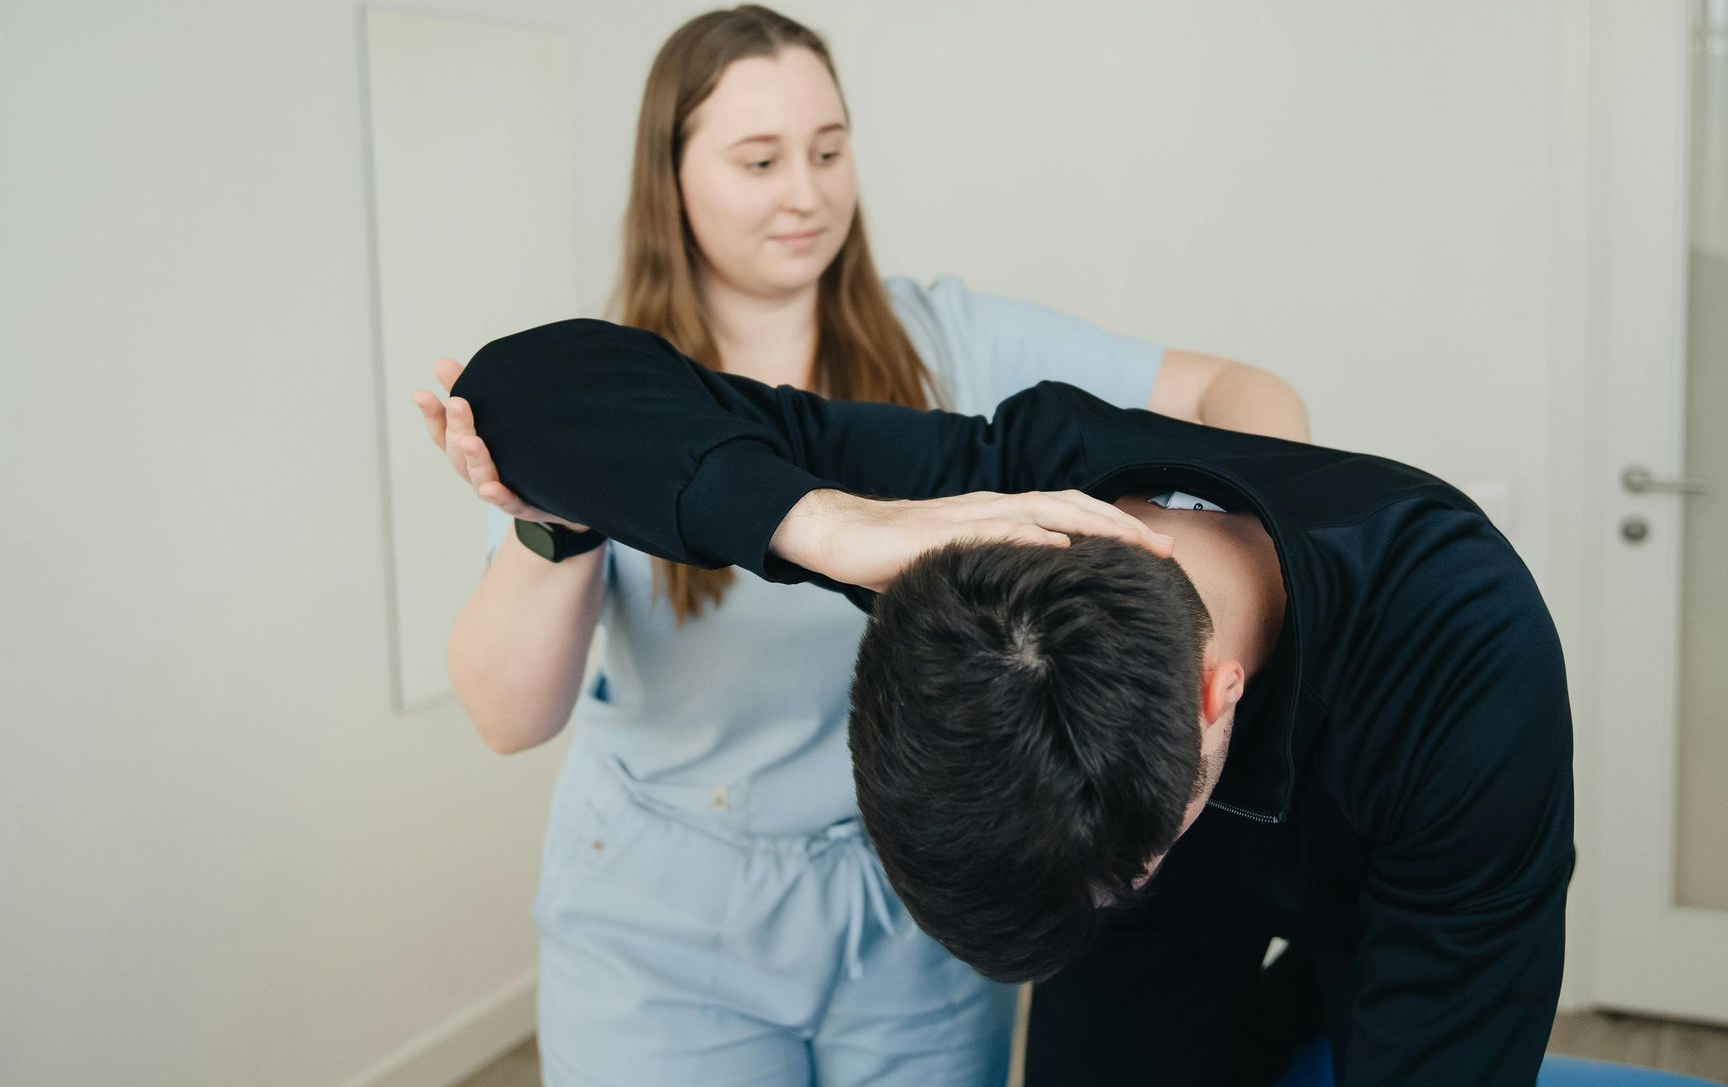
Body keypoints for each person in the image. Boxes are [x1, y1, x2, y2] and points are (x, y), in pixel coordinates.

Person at [410, 6, 1310, 1085]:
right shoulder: (616, 406)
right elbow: (510, 715)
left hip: (909, 920)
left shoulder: (950, 343)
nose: (806, 192)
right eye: (759, 159)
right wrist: (559, 527)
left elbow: (1237, 389)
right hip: (665, 916)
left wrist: (1224, 570)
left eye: (829, 151)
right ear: (671, 174)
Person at [447, 317, 1577, 1087]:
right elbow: (519, 389)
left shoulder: (1465, 645)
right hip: (1132, 879)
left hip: (1391, 885)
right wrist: (835, 525)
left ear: (1213, 694)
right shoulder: (982, 529)